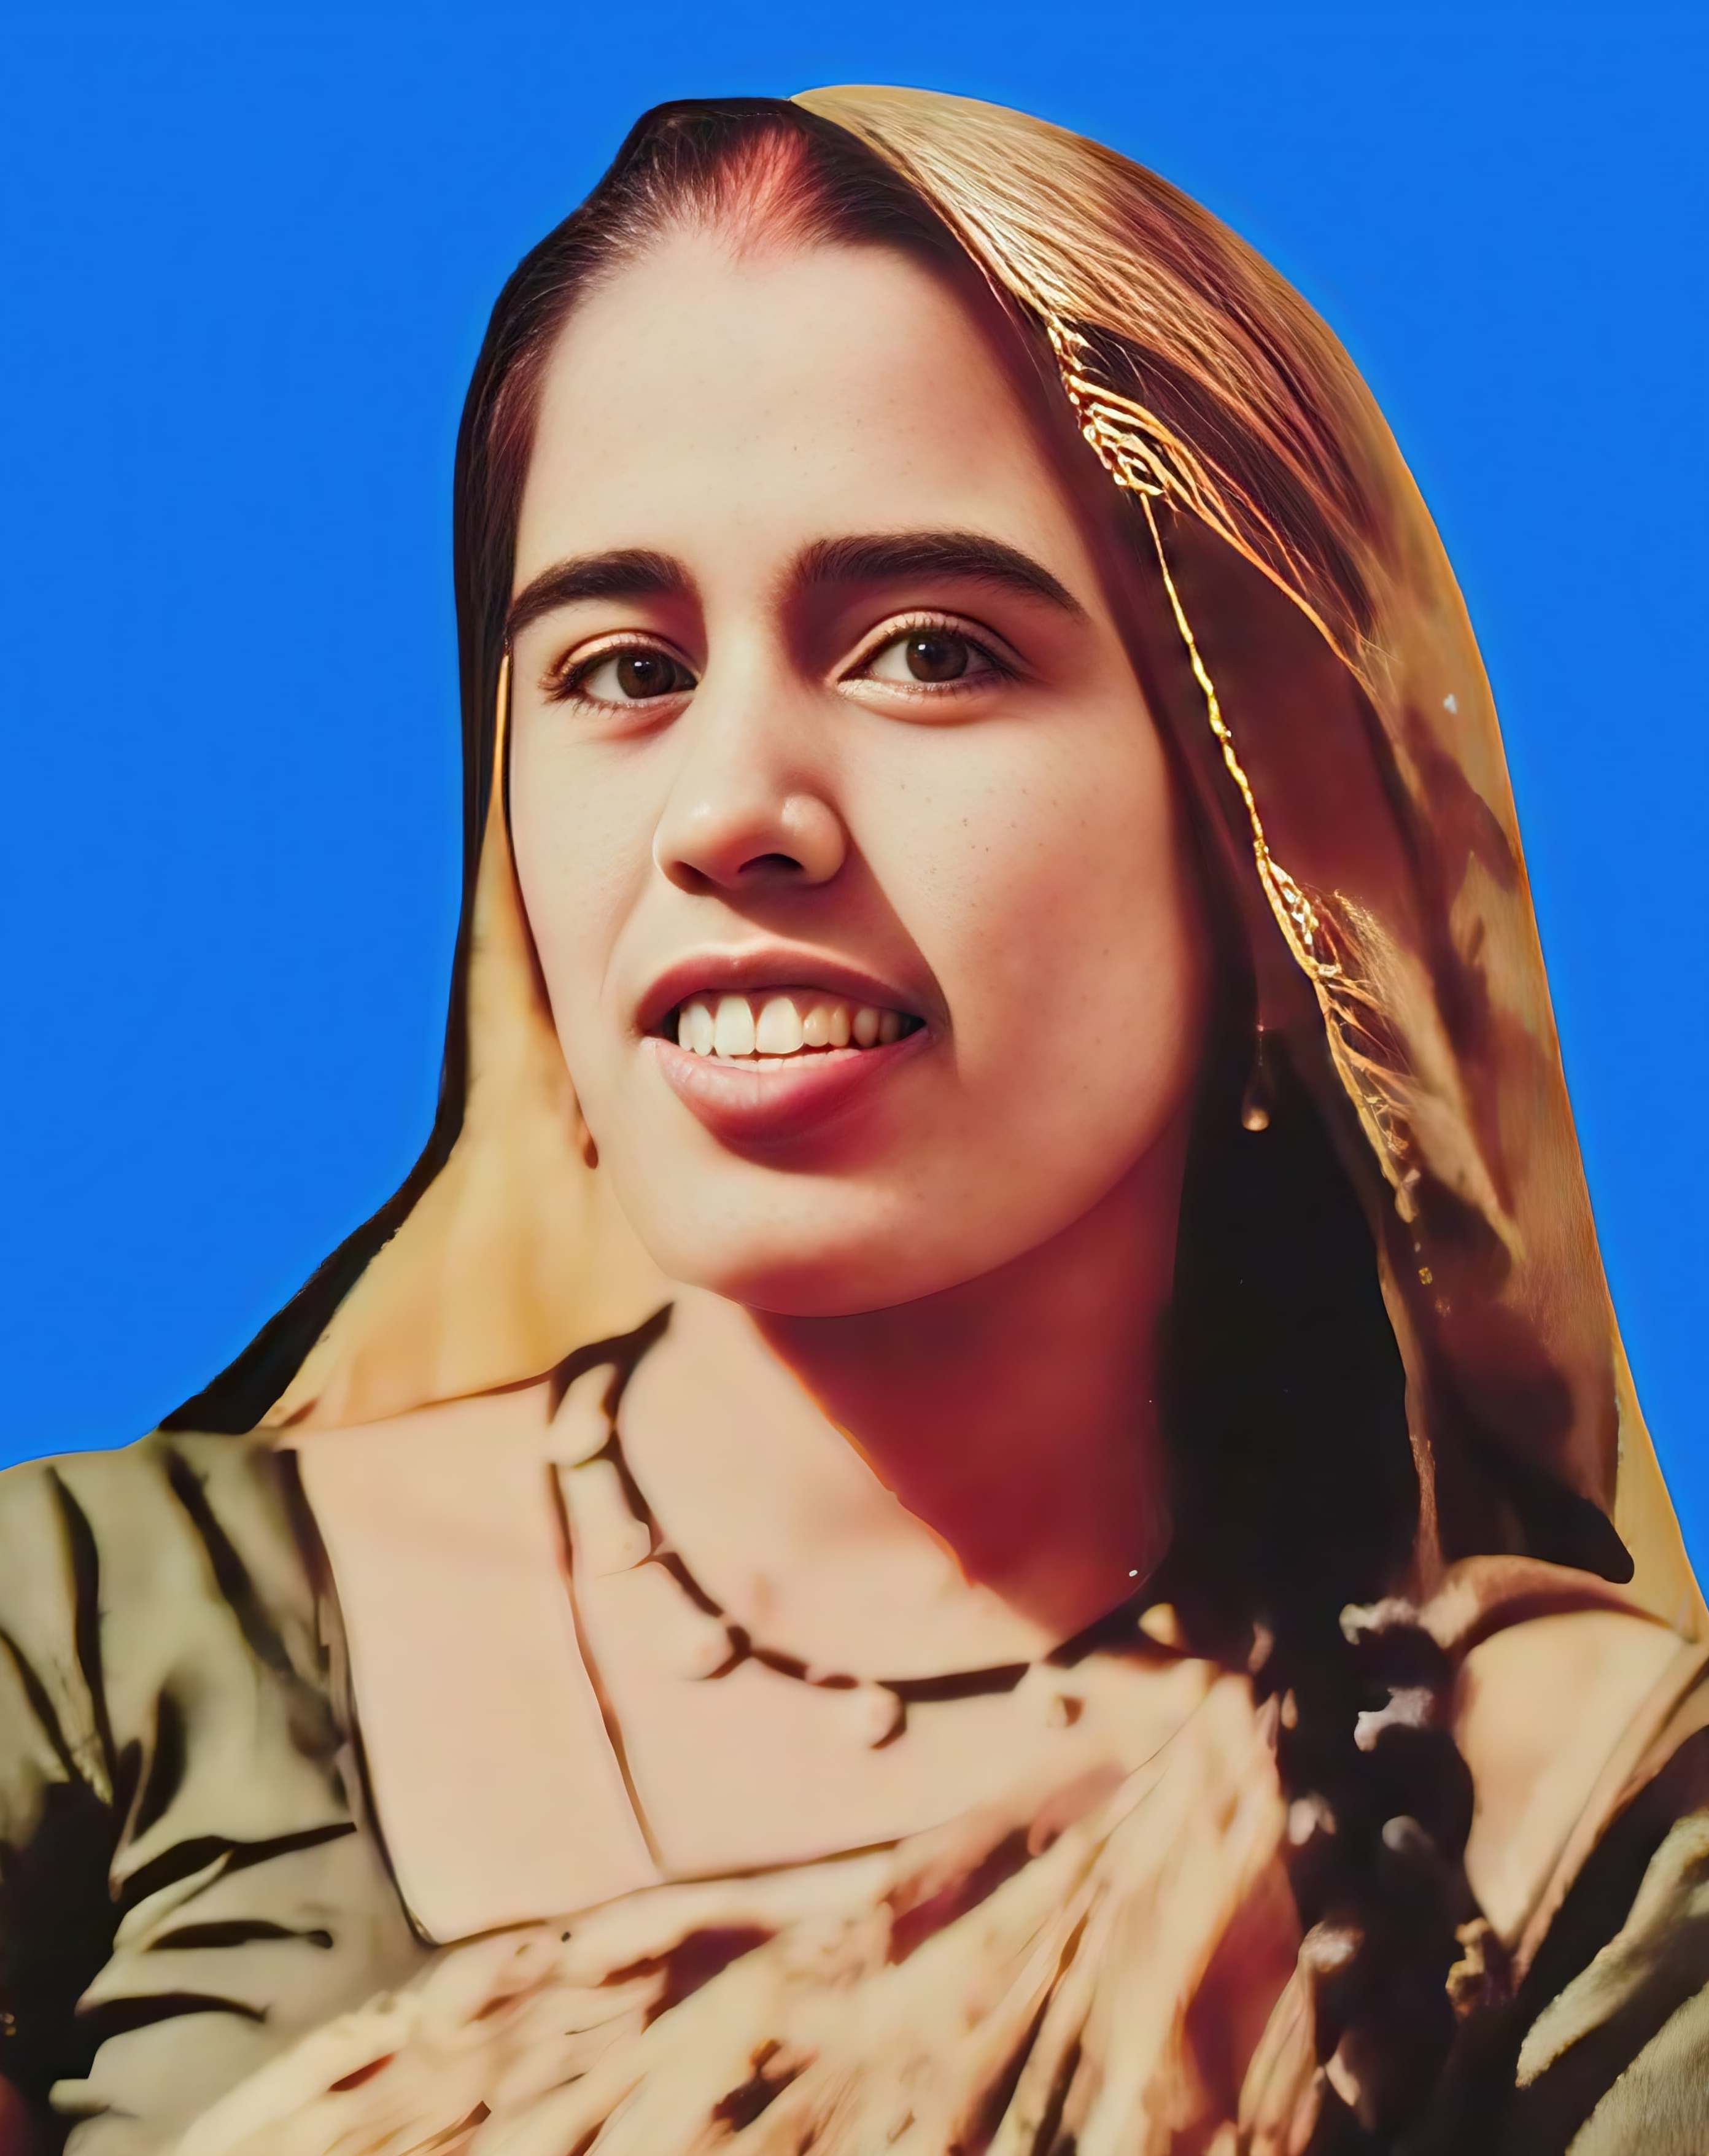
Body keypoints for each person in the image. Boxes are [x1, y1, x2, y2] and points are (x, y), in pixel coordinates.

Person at [2, 87, 1705, 2156]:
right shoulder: (92, 1644)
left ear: (1277, 837)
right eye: (620, 668)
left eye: (929, 651)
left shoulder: (1562, 1829)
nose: (730, 810)